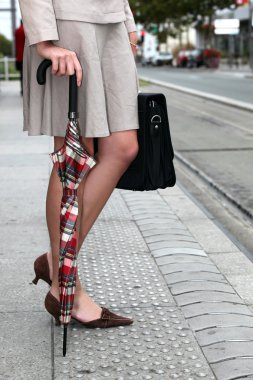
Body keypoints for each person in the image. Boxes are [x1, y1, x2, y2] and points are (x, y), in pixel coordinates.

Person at [18, 0, 139, 327]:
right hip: (67, 23)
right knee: (76, 151)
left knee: (123, 148)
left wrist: (127, 21)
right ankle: (66, 286)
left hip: (112, 23)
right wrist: (44, 40)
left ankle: (55, 263)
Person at [14, 20, 25, 95]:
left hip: (19, 57)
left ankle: (22, 90)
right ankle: (27, 89)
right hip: (26, 56)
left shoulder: (17, 31)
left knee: (21, 74)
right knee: (28, 74)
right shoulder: (26, 30)